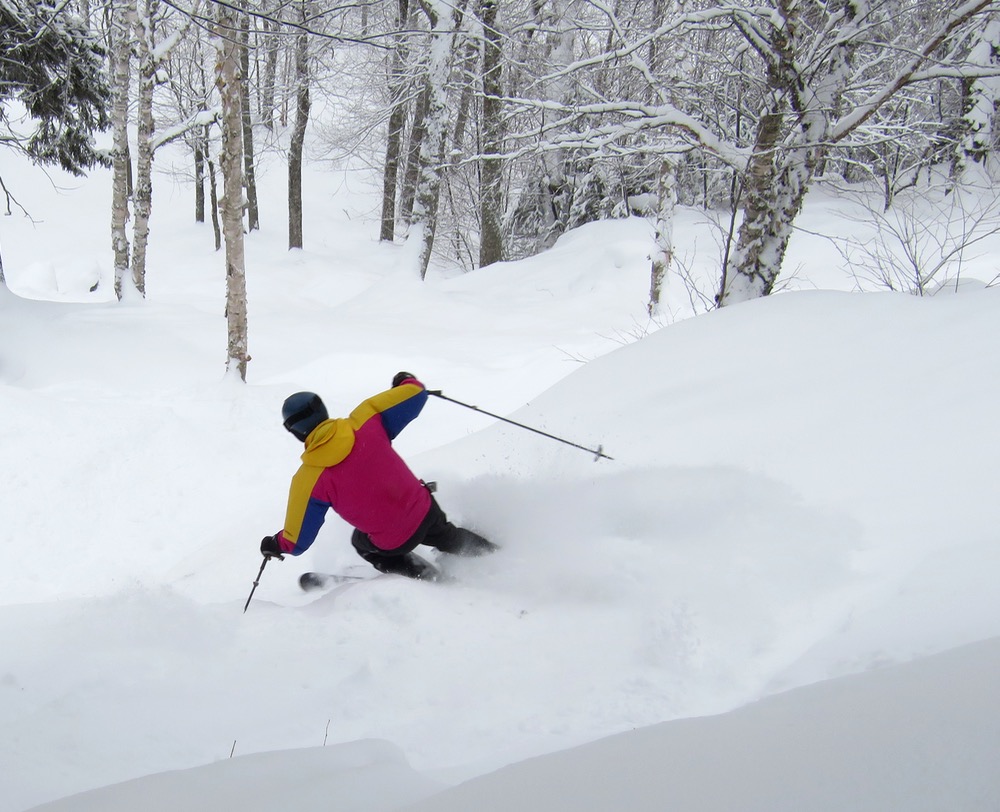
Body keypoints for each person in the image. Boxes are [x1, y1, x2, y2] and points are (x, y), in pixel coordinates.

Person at [260, 372, 496, 580]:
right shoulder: (365, 420)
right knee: (448, 536)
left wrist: (274, 544)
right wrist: (404, 381)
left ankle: (428, 580)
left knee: (361, 543)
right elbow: (416, 392)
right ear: (322, 410)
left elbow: (297, 541)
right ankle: (498, 556)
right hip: (426, 510)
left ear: (294, 431)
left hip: (393, 541)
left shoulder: (309, 479)